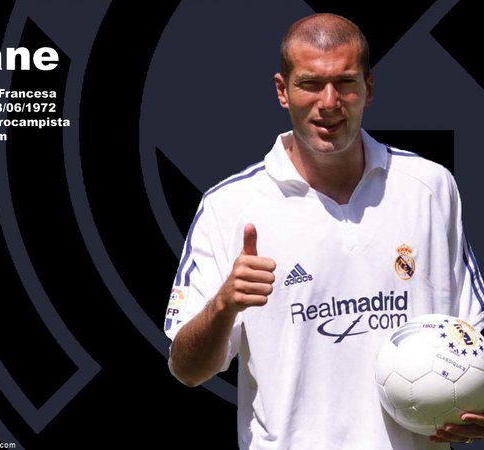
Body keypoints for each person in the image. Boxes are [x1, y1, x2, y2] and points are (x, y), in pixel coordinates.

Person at [163, 12, 484, 450]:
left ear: (368, 88)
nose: (329, 102)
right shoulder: (229, 206)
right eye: (310, 84)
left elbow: (472, 334)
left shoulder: (429, 187)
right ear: (282, 91)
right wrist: (224, 303)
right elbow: (187, 369)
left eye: (345, 83)